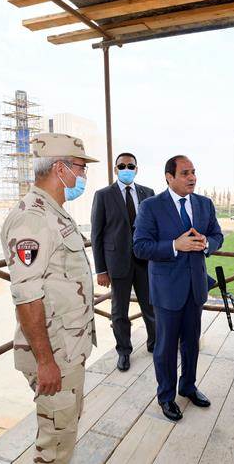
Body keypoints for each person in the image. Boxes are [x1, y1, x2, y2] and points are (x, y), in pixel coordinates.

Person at [0, 133, 99, 464]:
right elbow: (27, 297)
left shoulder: (54, 211)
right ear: (60, 168)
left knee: (63, 431)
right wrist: (45, 362)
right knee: (54, 446)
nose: (83, 175)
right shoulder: (32, 218)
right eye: (81, 168)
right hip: (54, 352)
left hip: (67, 349)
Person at [132, 155, 224, 422]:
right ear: (169, 177)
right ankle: (166, 396)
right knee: (166, 347)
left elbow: (217, 236)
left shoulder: (204, 204)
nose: (192, 178)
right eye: (185, 173)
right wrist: (174, 245)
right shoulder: (151, 206)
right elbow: (140, 247)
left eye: (193, 172)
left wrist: (207, 243)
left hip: (195, 288)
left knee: (192, 343)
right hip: (166, 291)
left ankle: (188, 387)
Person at [91, 152, 157, 372]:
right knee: (119, 312)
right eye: (122, 166)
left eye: (130, 166)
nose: (126, 169)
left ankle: (154, 344)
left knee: (151, 307)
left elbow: (155, 228)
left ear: (136, 169)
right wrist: (101, 270)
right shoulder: (103, 195)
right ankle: (124, 352)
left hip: (145, 262)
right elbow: (96, 235)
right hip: (116, 263)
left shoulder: (148, 193)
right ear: (116, 169)